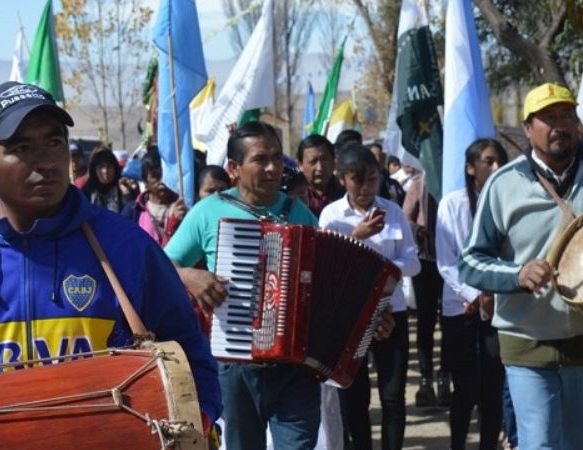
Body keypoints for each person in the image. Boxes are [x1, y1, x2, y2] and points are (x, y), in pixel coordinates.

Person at [0, 82, 222, 449]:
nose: (47, 161)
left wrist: (198, 420)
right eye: (22, 147)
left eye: (54, 142)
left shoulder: (128, 249)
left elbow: (192, 360)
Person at [165, 122, 394, 450]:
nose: (273, 167)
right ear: (234, 168)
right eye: (260, 159)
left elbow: (331, 284)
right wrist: (190, 276)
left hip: (297, 368)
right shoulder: (208, 211)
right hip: (237, 366)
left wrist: (369, 318)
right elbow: (162, 265)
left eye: (277, 157)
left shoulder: (298, 213)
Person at [460, 82, 583, 450]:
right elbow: (469, 262)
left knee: (582, 443)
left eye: (566, 115)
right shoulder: (502, 183)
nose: (559, 124)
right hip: (526, 341)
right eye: (547, 118)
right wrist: (517, 274)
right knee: (538, 444)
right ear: (528, 129)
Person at [319, 145, 420, 450]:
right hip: (350, 316)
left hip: (392, 312)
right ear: (342, 179)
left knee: (392, 395)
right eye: (357, 180)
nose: (365, 189)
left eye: (372, 180)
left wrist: (379, 271)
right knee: (355, 393)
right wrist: (357, 236)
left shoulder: (392, 212)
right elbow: (325, 265)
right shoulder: (332, 215)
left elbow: (413, 262)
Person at [436, 138, 508, 450]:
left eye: (500, 162)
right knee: (464, 389)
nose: (496, 168)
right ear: (470, 168)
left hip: (499, 307)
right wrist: (475, 295)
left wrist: (493, 294)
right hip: (459, 306)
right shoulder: (451, 204)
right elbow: (447, 261)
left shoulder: (508, 202)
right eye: (488, 161)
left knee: (493, 387)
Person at [402, 169, 448, 407]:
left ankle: (445, 378)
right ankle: (425, 378)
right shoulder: (420, 183)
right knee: (426, 321)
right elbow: (405, 218)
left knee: (451, 321)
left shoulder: (454, 178)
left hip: (452, 263)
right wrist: (418, 230)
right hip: (427, 261)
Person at [123, 146, 187, 246]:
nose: (162, 181)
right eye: (155, 176)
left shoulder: (182, 207)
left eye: (165, 175)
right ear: (145, 181)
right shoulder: (133, 210)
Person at [296, 134, 345, 217]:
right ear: (300, 165)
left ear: (333, 162)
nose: (320, 168)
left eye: (324, 160)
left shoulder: (346, 193)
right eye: (313, 162)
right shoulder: (294, 196)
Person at [82, 146, 132, 213]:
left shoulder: (123, 188)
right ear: (94, 170)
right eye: (101, 167)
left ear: (115, 168)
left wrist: (127, 195)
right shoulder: (87, 191)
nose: (105, 171)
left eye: (109, 166)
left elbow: (129, 214)